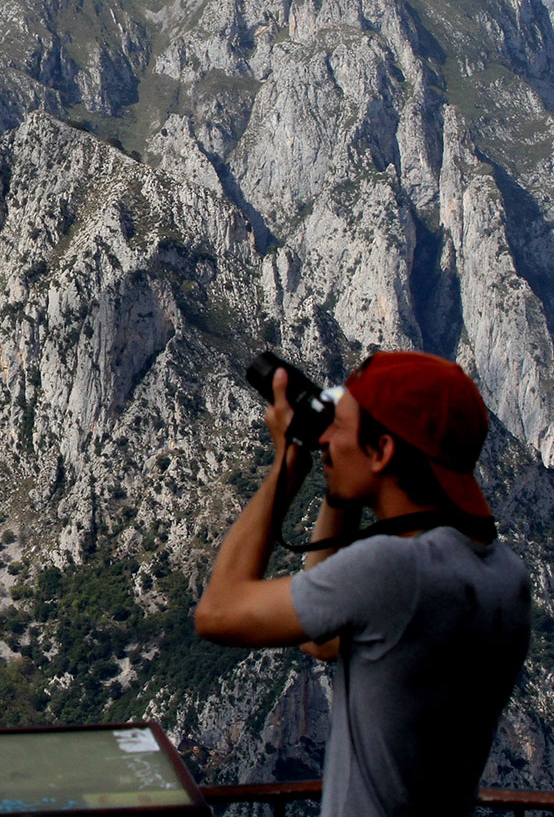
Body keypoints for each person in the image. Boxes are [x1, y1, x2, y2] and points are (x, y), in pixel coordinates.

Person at [194, 350, 531, 817]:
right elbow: (326, 639)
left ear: (383, 450)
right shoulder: (504, 574)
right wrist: (340, 488)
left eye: (339, 426)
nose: (326, 438)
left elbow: (218, 613)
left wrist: (288, 466)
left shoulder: (394, 570)